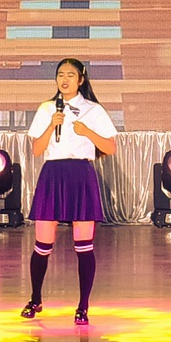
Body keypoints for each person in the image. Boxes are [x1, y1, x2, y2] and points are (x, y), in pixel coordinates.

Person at [21, 58, 117, 325]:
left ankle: (83, 306)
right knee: (42, 244)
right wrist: (52, 125)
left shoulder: (93, 110)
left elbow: (110, 148)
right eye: (60, 75)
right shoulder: (47, 108)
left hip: (80, 174)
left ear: (81, 80)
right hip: (53, 174)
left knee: (84, 246)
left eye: (70, 75)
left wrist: (87, 132)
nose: (64, 80)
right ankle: (35, 298)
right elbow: (37, 150)